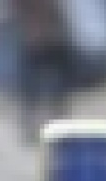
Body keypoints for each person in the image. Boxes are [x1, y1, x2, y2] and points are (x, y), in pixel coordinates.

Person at [11, 0, 74, 140]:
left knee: (53, 91)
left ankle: (56, 127)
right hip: (36, 43)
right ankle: (37, 128)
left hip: (48, 42)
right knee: (33, 92)